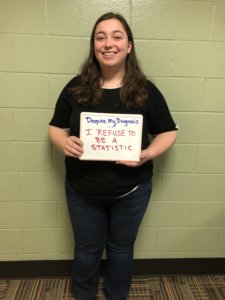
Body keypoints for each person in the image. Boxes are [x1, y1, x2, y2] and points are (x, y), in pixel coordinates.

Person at [48, 12, 177, 300]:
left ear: (129, 46)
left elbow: (168, 132)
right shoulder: (76, 87)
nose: (109, 43)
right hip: (82, 189)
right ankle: (84, 295)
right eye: (100, 37)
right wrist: (63, 143)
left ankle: (117, 295)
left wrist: (146, 154)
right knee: (86, 249)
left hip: (131, 190)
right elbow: (56, 128)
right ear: (93, 45)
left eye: (117, 36)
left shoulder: (146, 90)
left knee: (121, 249)